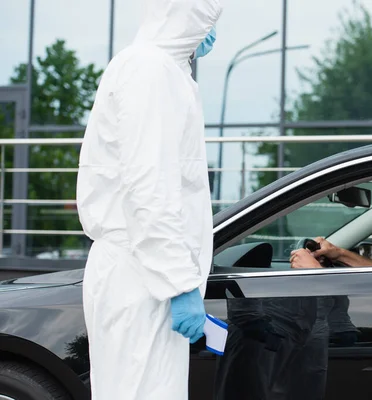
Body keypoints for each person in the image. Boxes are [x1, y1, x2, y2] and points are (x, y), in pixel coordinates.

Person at [76, 0, 222, 398]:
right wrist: (178, 284)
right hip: (142, 277)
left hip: (144, 274)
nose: (211, 32)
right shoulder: (151, 71)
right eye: (209, 19)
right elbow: (149, 189)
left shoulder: (159, 70)